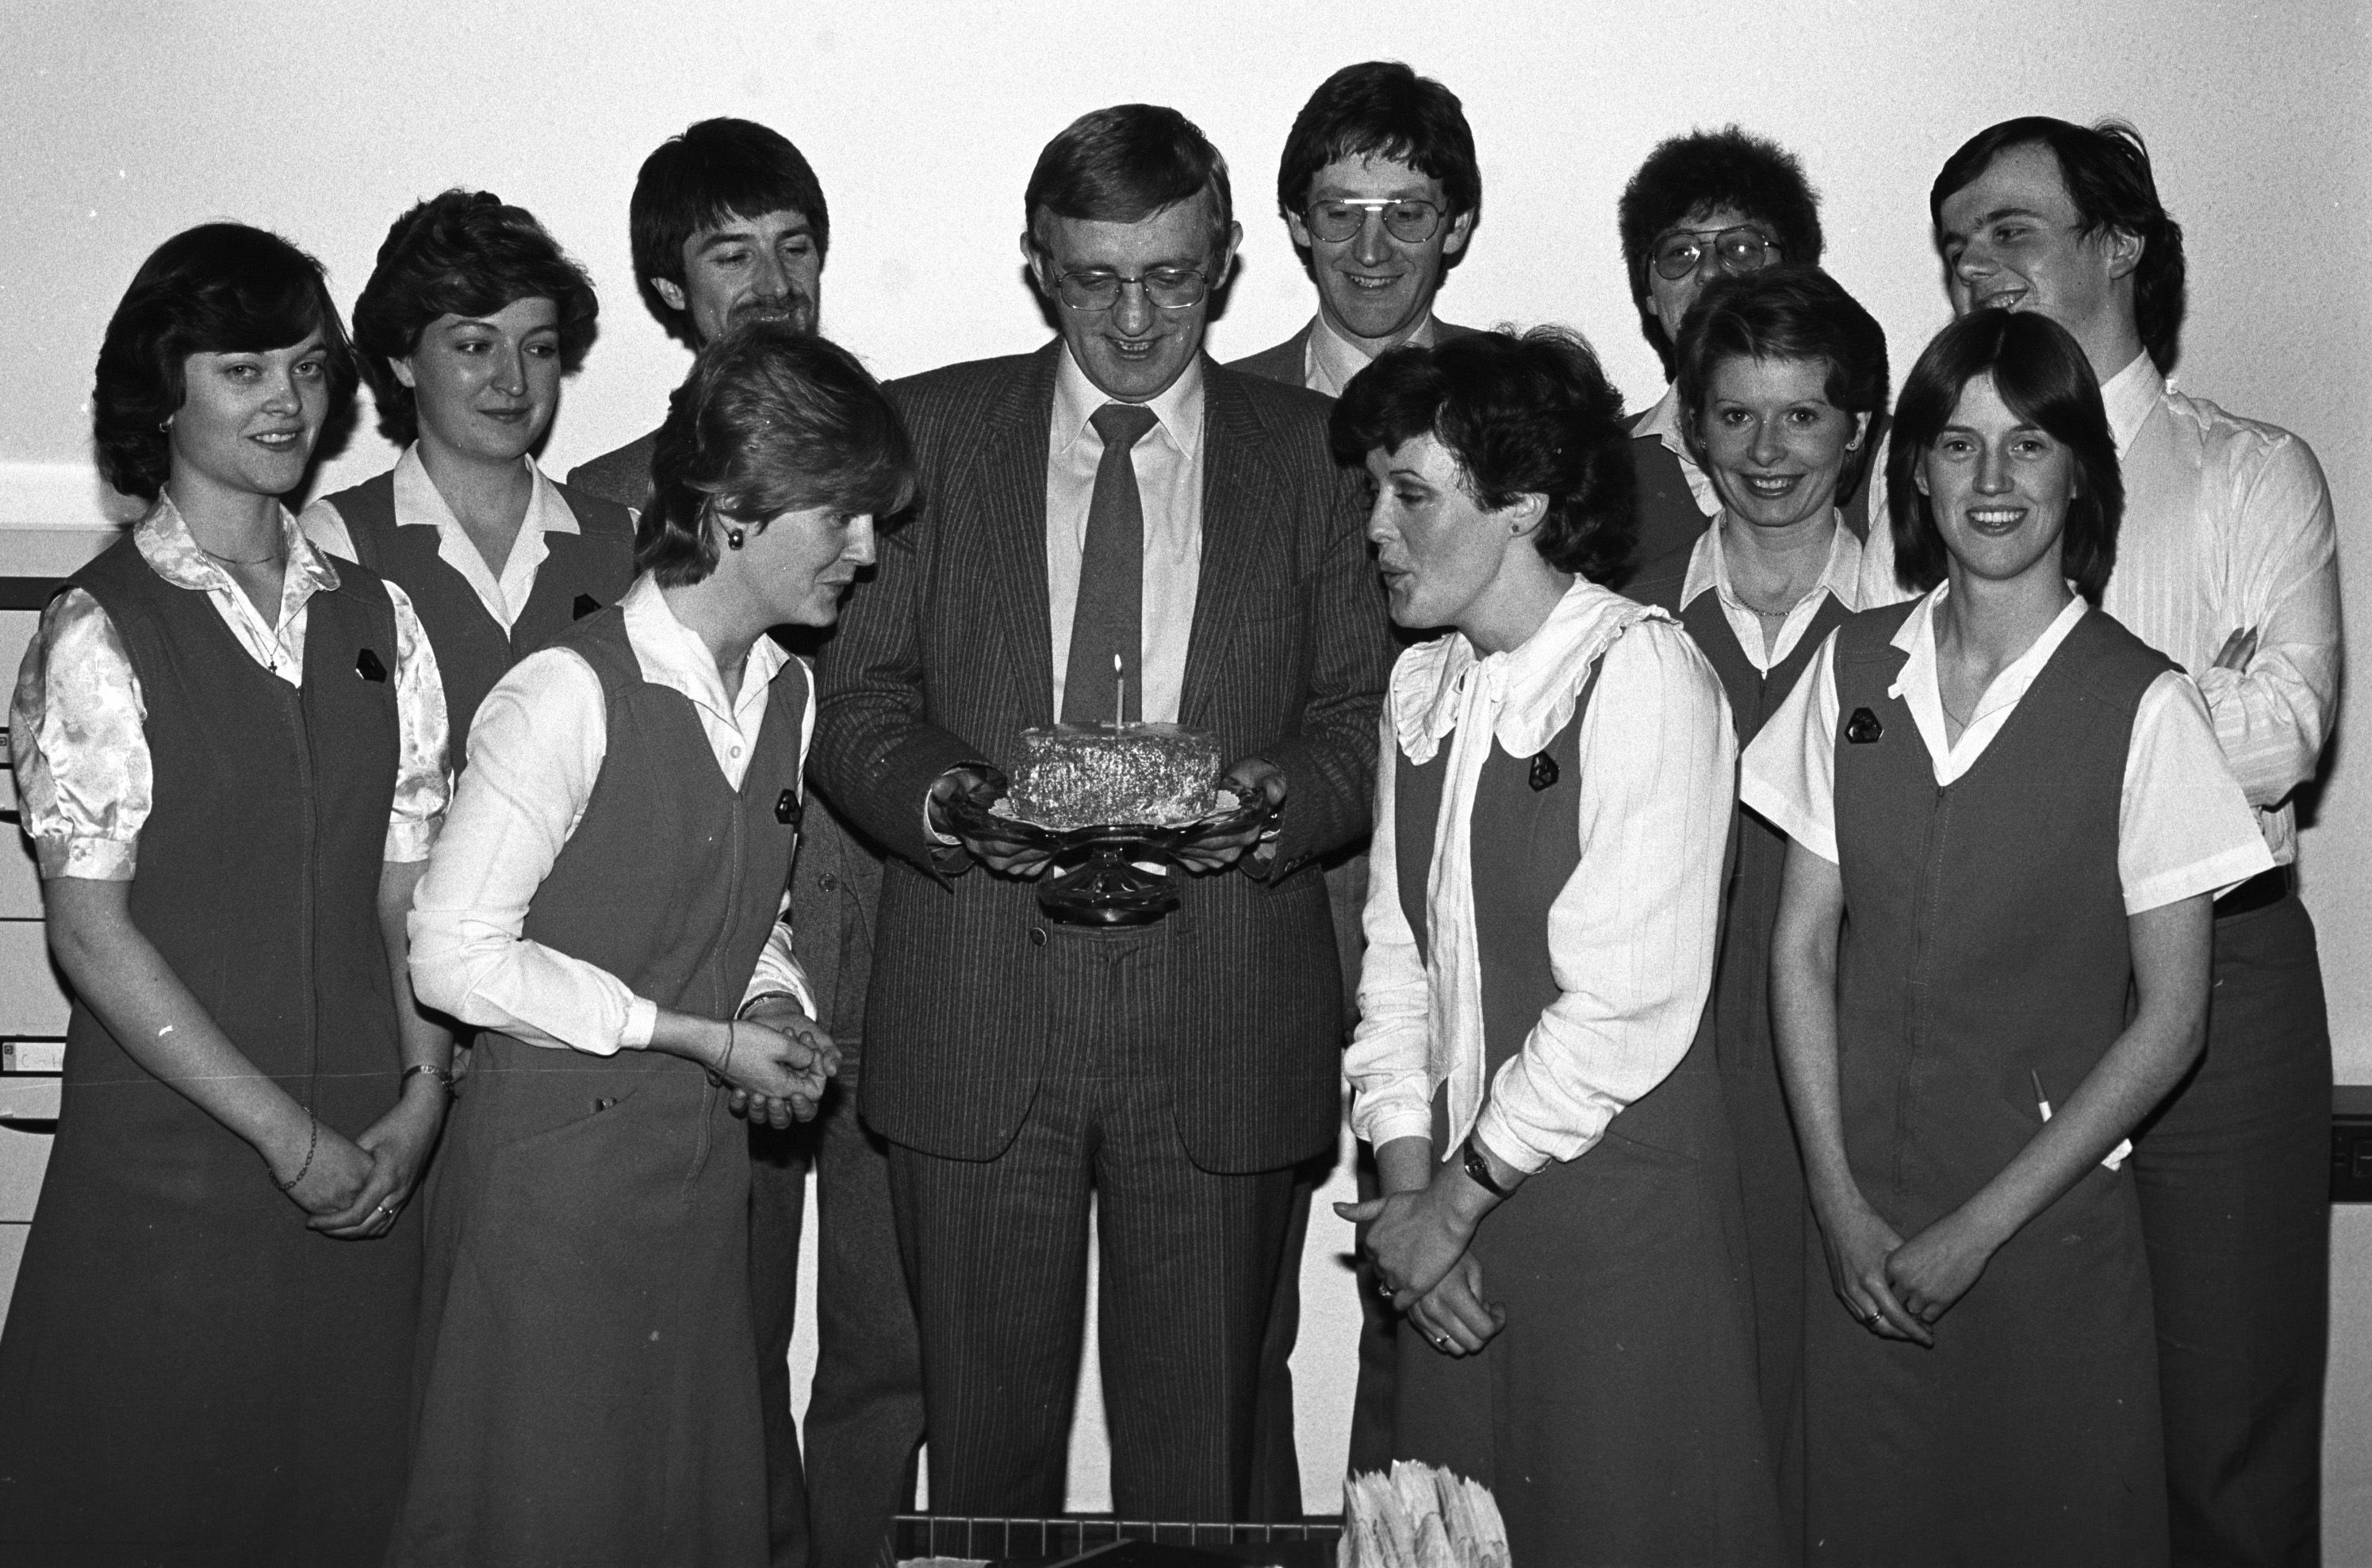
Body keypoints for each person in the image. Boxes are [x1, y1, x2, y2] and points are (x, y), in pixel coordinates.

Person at [810, 102, 1393, 1521]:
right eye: (1093, 279)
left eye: (1174, 276)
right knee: (985, 1467)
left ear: (1231, 260)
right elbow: (862, 703)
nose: (1135, 317)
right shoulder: (927, 435)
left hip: (1224, 1005)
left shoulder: (1319, 455)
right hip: (977, 1004)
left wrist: (1269, 801)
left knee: (1207, 1467)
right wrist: (952, 801)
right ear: (1035, 267)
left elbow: (1359, 721)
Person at [1746, 309, 2271, 1566]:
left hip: (2037, 1237)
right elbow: (1799, 949)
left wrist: (1978, 1228)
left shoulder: (2142, 706)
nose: (1991, 482)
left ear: (2079, 470)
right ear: (1915, 468)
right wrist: (1834, 1204)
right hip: (1862, 1231)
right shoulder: (1849, 672)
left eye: (2027, 446)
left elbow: (2171, 1020)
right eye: (1958, 444)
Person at [392, 321, 903, 1566]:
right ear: (733, 510)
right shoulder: (563, 692)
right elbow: (451, 954)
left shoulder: (787, 688)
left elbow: (747, 912)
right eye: (839, 516)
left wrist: (772, 1008)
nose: (867, 550)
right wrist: (694, 1036)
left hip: (691, 1195)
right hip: (549, 1203)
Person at [1920, 117, 2341, 1565]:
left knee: (2228, 1414)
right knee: (2025, 1404)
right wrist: (2171, 696)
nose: (1977, 262)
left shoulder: (2248, 472)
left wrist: (2069, 715)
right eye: (1959, 238)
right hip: (2006, 978)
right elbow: (1916, 737)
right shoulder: (1937, 479)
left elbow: (2287, 730)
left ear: (2120, 247)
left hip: (2223, 981)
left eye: (2012, 228)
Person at [0, 222, 453, 1562]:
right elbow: (91, 934)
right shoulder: (99, 626)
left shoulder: (381, 617)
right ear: (163, 390)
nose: (288, 403)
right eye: (243, 367)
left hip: (370, 1159)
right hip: (176, 1184)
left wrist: (424, 1091)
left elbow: (404, 892)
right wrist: (284, 1136)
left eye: (309, 369)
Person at [1335, 328, 1782, 1566]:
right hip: (1451, 1224)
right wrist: (1409, 1194)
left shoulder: (1640, 675)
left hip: (1605, 1230)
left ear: (1522, 502)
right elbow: (1394, 968)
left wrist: (1445, 1210)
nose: (1375, 524)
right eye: (1373, 490)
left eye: (1410, 493)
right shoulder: (1420, 687)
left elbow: (1620, 1006)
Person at [565, 117, 913, 1568]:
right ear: (668, 288)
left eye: (795, 246)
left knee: (892, 1346)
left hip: (895, 961)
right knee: (726, 1339)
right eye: (729, 253)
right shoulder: (600, 497)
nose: (770, 281)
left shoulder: (897, 470)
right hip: (709, 985)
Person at [1228, 55, 1484, 1500]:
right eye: (1343, 211)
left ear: (1454, 225)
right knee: (1226, 1314)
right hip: (1270, 905)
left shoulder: (1516, 409)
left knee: (1447, 1263)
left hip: (1464, 903)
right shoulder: (1221, 411)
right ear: (1296, 226)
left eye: (1407, 209)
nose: (1373, 246)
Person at [1623, 263, 1891, 1539]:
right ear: (1688, 427)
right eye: (1734, 416)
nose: (1767, 450)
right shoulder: (1626, 633)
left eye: (1802, 415)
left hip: (1847, 1079)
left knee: (1838, 1426)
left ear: (1859, 430)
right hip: (1664, 1080)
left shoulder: (1915, 633)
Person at [301, 190, 633, 753]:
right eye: (476, 346)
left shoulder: (630, 540)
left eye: (539, 349)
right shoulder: (338, 543)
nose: (514, 381)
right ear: (403, 361)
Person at [1614, 126, 1839, 583]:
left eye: (1741, 247)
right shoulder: (1595, 466)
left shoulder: (1880, 458)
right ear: (1650, 295)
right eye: (1680, 253)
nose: (1711, 273)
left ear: (1797, 273)